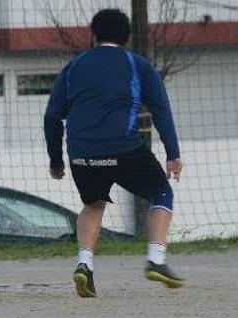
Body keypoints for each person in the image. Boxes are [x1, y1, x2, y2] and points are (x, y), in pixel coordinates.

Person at [44, 8, 185, 298]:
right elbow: (160, 109)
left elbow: (52, 116)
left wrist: (56, 159)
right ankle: (156, 259)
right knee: (161, 193)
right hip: (125, 148)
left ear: (93, 34)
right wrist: (173, 153)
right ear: (127, 36)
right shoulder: (138, 64)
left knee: (94, 203)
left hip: (82, 151)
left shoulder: (74, 66)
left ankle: (84, 264)